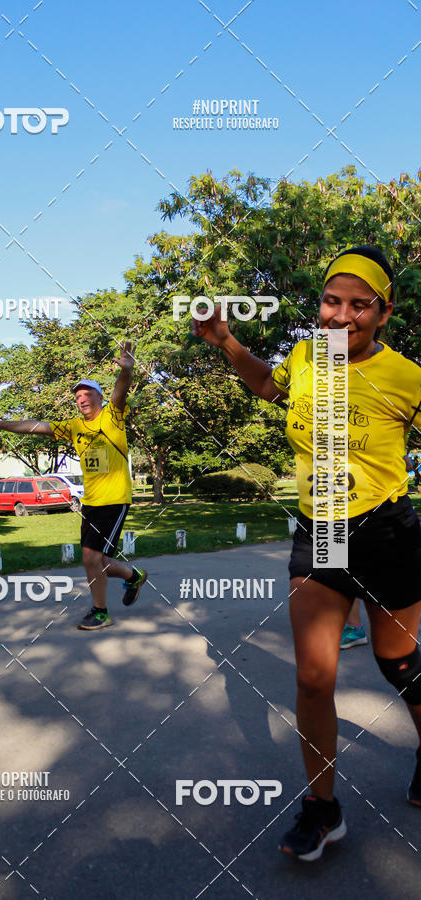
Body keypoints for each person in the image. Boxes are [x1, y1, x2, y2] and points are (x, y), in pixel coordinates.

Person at [193, 245, 421, 861]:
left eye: (359, 304)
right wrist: (225, 342)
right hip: (322, 531)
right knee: (313, 679)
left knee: (400, 664)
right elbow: (269, 387)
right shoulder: (306, 356)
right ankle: (323, 809)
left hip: (387, 533)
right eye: (330, 300)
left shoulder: (407, 376)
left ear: (383, 313)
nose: (341, 315)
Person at [0, 340, 147, 630]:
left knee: (92, 558)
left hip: (115, 499)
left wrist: (127, 370)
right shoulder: (73, 426)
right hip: (90, 501)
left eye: (87, 394)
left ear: (99, 397)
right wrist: (2, 424)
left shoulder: (112, 416)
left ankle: (101, 612)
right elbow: (35, 427)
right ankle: (134, 576)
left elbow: (120, 391)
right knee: (96, 560)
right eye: (78, 396)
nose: (82, 399)